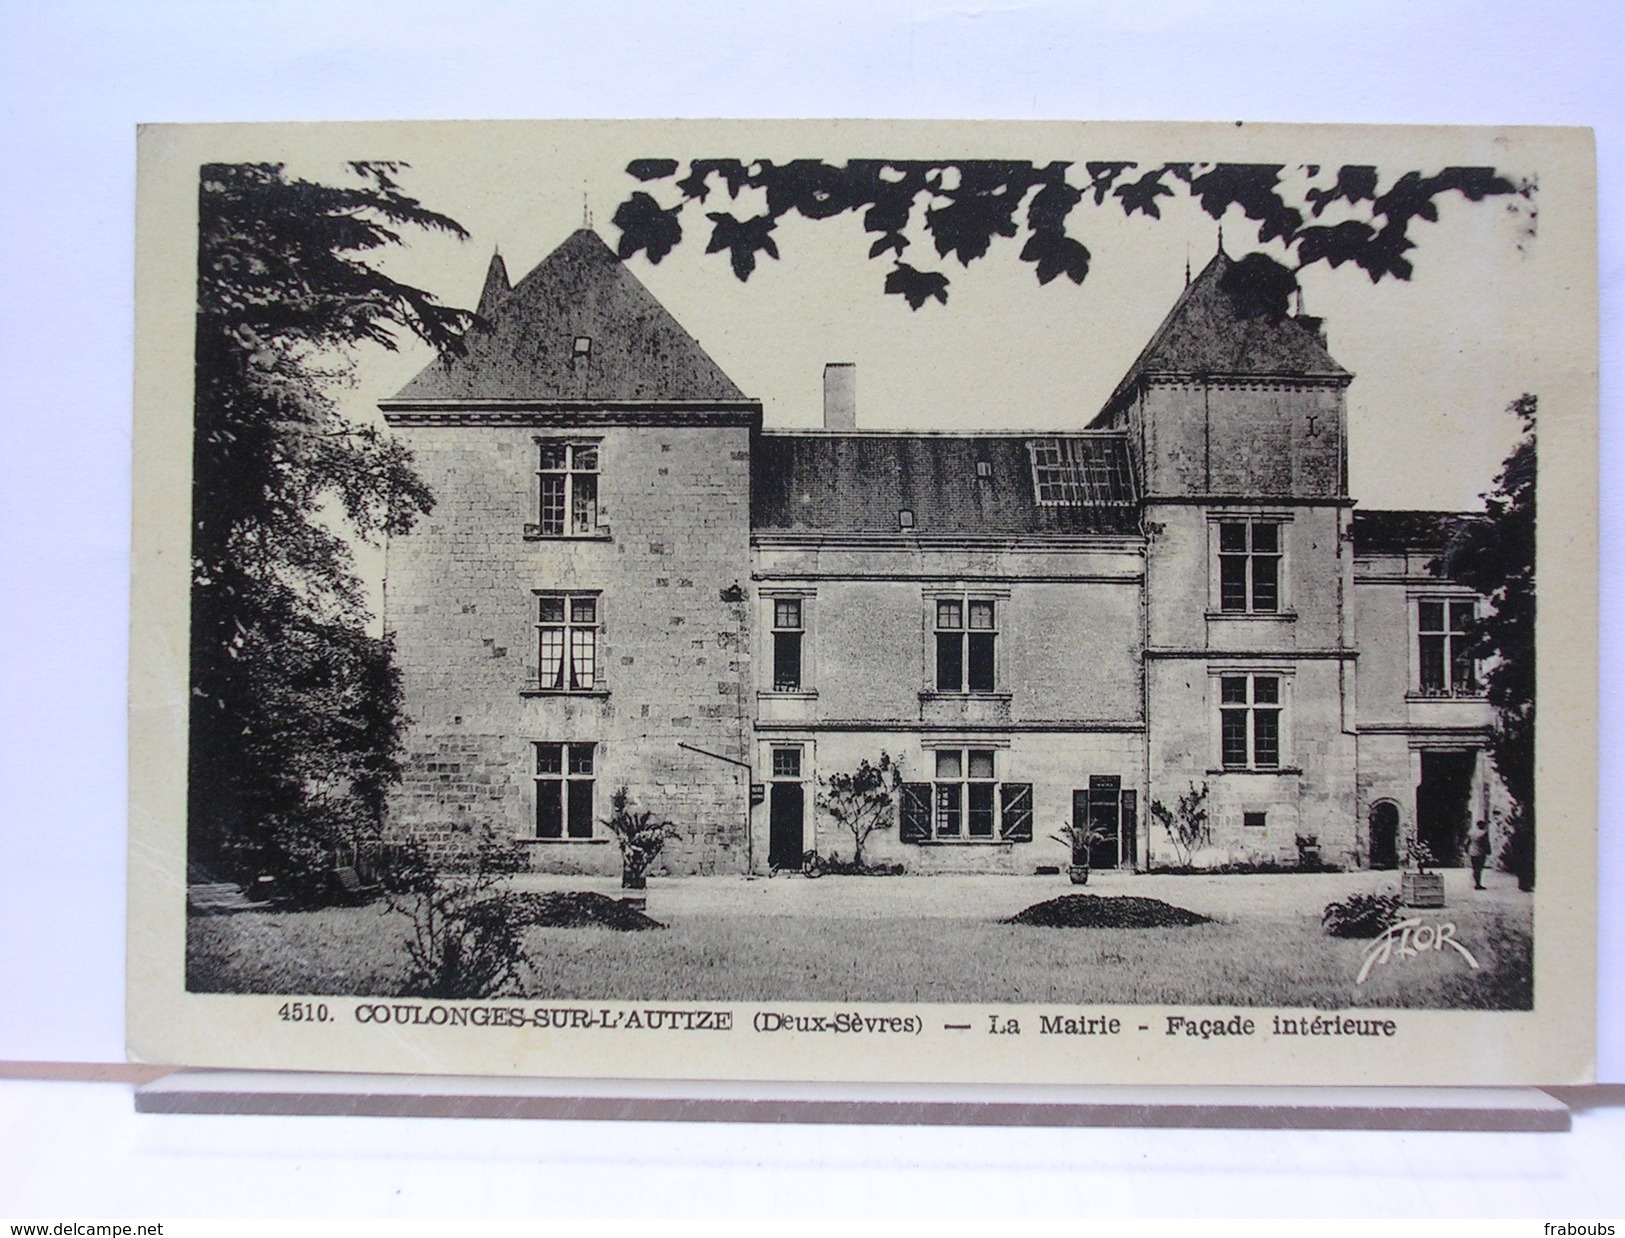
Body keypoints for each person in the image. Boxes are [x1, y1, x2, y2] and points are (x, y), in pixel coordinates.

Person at [1466, 819, 1492, 890]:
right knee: (1479, 868)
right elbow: (1486, 843)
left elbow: (1468, 842)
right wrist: (1489, 851)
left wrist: (1467, 850)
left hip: (1472, 852)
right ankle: (1478, 884)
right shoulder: (1483, 833)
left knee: (1475, 868)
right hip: (1480, 853)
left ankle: (1476, 882)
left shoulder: (1471, 832)